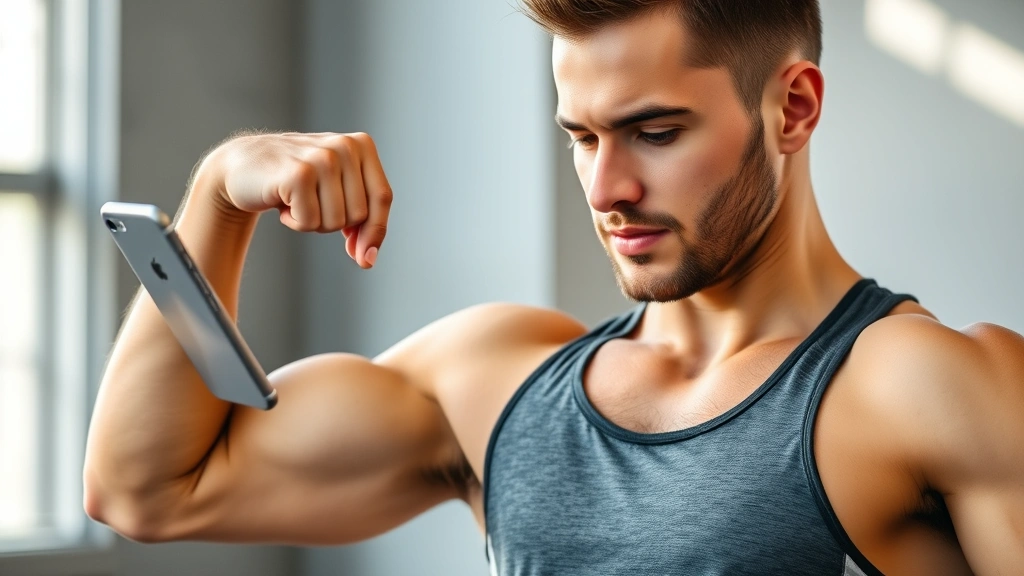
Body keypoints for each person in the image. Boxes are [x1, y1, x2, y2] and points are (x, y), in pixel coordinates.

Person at [84, 1, 1024, 574]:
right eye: (582, 138)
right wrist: (218, 198)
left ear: (794, 107)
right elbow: (151, 489)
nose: (609, 189)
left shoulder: (930, 386)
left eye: (656, 132)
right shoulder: (495, 379)